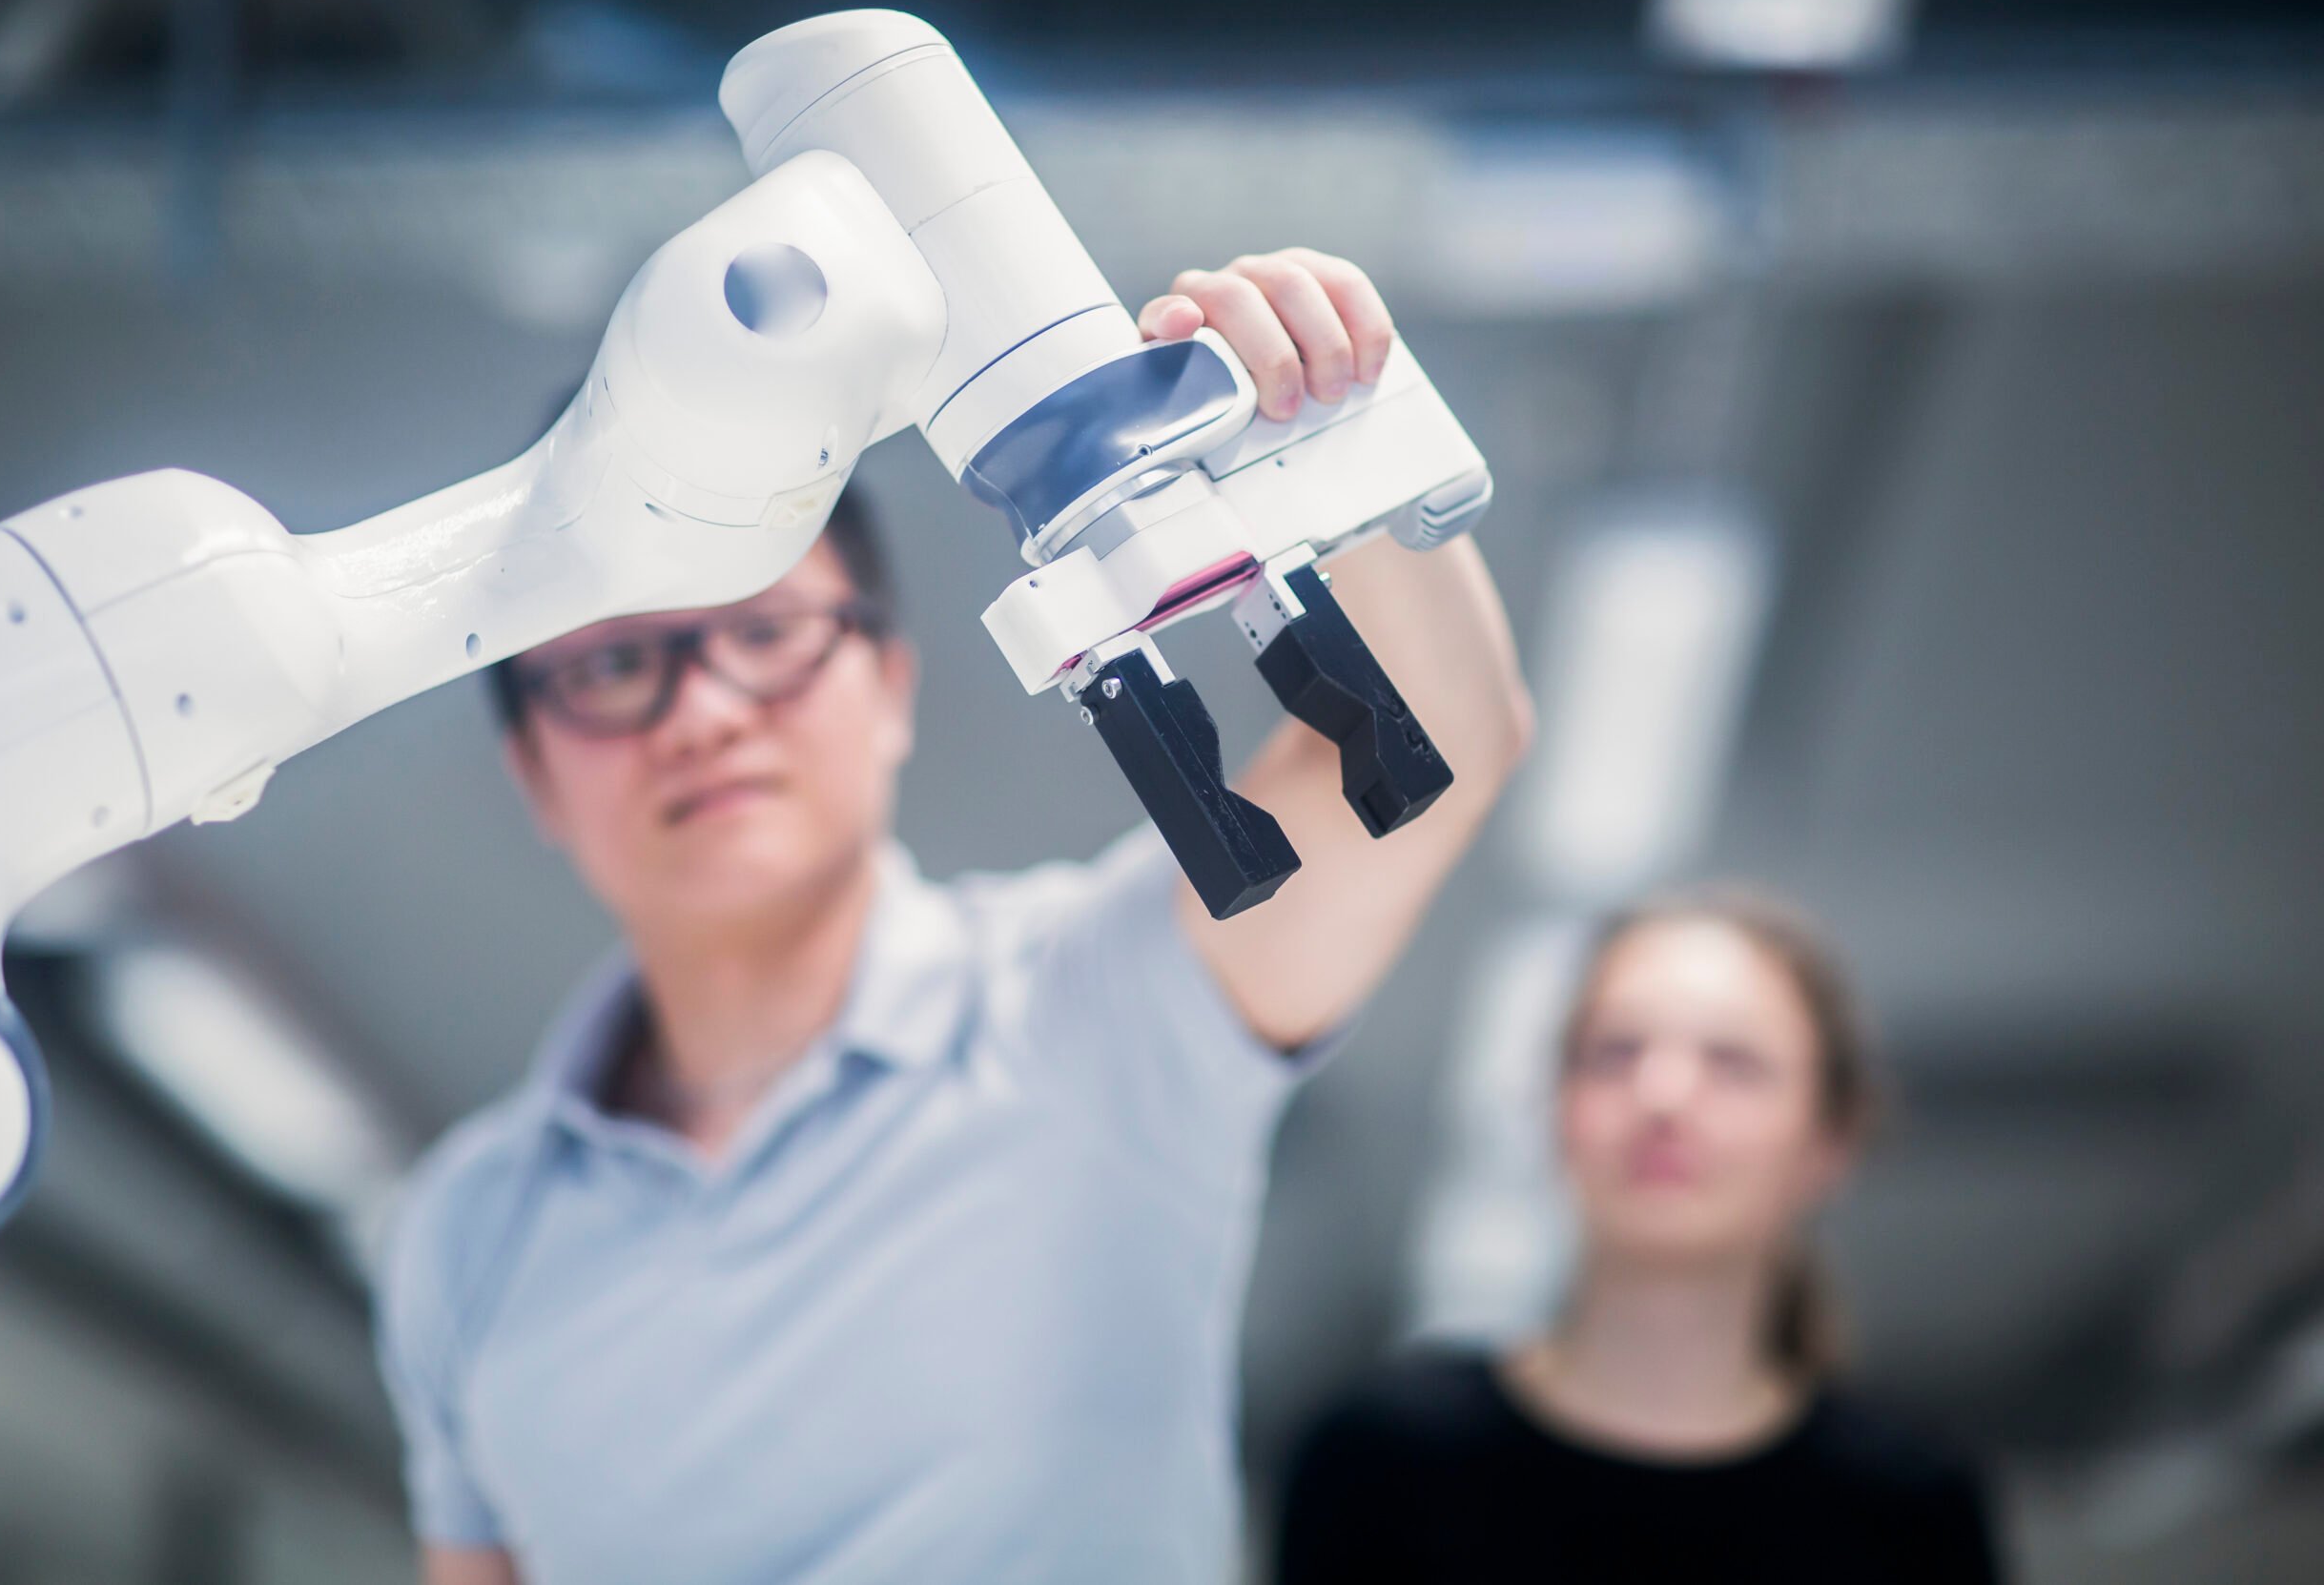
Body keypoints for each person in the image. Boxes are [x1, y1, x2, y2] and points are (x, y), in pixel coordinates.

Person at [372, 249, 1533, 1585]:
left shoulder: (1097, 1008)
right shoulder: (467, 1228)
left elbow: (1442, 741)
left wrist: (1323, 430)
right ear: (532, 770)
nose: (700, 713)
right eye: (617, 665)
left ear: (892, 684)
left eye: (767, 633)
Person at [1279, 889, 2002, 1585]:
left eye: (1734, 1063)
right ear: (1557, 1112)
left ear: (1829, 1140)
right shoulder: (1386, 1460)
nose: (1662, 1096)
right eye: (1615, 1053)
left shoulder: (1906, 1506)